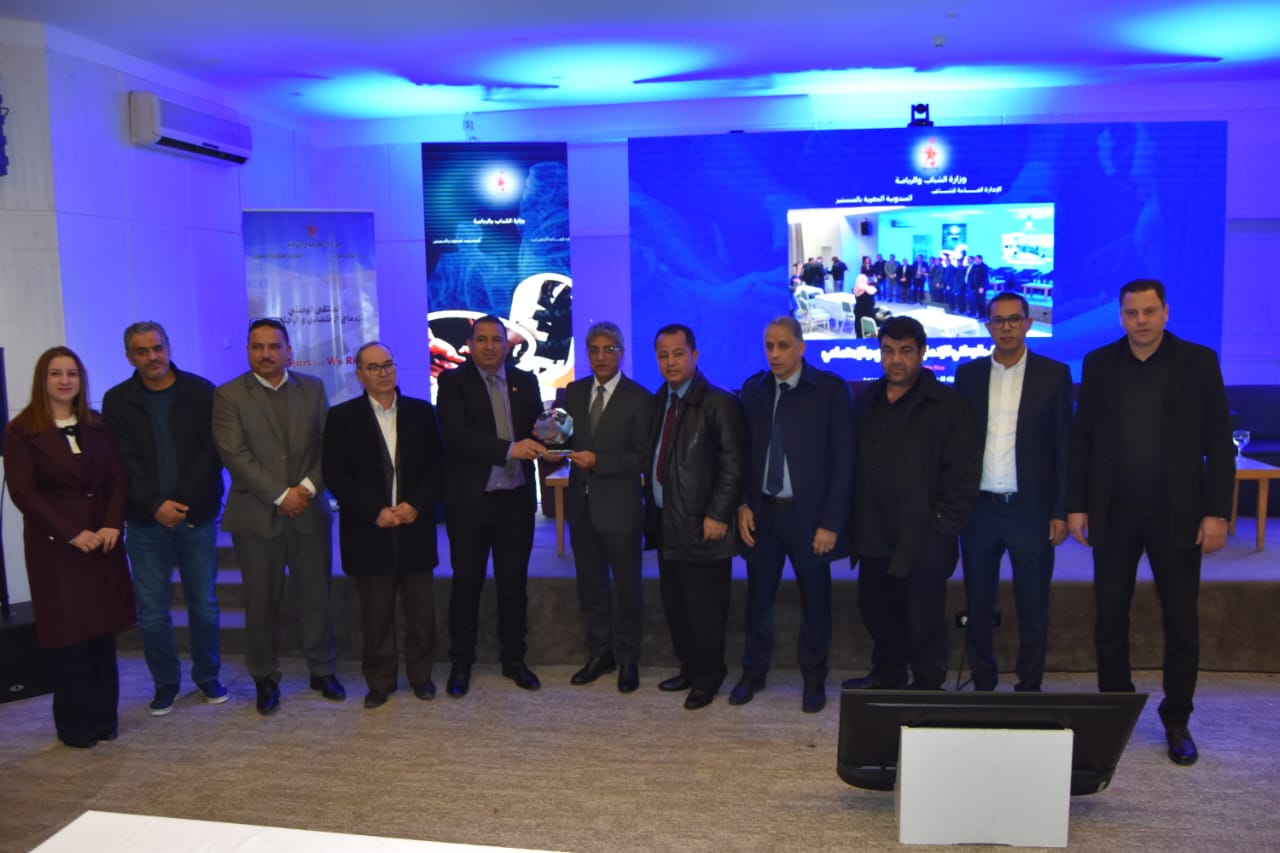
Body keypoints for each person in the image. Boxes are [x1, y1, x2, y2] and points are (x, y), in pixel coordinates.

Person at [1067, 279, 1234, 766]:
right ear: (1120, 316)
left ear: (1165, 312)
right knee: (1110, 617)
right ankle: (1114, 710)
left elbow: (1218, 442)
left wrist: (1217, 512)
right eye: (1131, 312)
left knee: (1181, 621)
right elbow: (1082, 440)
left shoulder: (1198, 361)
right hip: (1114, 513)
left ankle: (1177, 718)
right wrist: (1077, 505)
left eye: (1149, 311)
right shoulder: (1099, 363)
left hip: (1177, 515)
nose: (1140, 320)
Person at [5, 347, 136, 748]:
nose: (65, 381)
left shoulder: (97, 425)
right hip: (58, 549)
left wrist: (112, 523)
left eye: (72, 374)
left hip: (103, 543)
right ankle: (76, 727)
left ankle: (105, 720)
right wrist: (73, 533)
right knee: (70, 639)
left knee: (101, 637)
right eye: (56, 373)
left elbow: (118, 478)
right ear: (42, 380)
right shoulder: (21, 431)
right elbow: (24, 493)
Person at [212, 318, 344, 714]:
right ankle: (264, 676)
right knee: (260, 602)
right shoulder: (228, 395)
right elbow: (234, 455)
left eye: (274, 346)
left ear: (289, 351)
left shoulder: (313, 388)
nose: (266, 354)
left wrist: (306, 489)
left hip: (309, 512)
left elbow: (328, 447)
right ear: (248, 351)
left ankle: (322, 670)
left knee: (317, 597)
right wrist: (281, 495)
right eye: (258, 346)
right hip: (256, 516)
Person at [845, 317, 980, 690]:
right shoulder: (868, 400)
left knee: (923, 621)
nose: (896, 360)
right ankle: (886, 676)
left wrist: (941, 525)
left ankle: (926, 688)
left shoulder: (947, 405)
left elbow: (963, 473)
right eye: (888, 351)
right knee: (876, 611)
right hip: (873, 534)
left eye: (905, 351)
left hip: (923, 536)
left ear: (922, 353)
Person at [102, 321, 226, 716]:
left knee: (203, 605)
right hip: (144, 520)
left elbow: (211, 452)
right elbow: (123, 460)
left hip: (196, 515)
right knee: (153, 612)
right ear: (129, 357)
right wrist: (155, 503)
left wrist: (181, 501)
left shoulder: (201, 391)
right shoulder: (117, 400)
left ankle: (208, 676)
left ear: (169, 348)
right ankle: (166, 683)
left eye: (157, 348)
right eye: (142, 351)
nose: (152, 357)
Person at [731, 317, 854, 713]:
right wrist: (743, 503)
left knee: (815, 603)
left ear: (802, 347)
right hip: (764, 515)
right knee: (758, 601)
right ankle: (753, 672)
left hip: (811, 518)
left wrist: (831, 523)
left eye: (783, 345)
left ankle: (814, 678)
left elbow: (843, 463)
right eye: (769, 346)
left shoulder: (830, 390)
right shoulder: (754, 389)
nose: (775, 354)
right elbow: (743, 456)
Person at [955, 293, 1072, 692]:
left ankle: (1029, 687)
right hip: (980, 512)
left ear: (1028, 324)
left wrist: (1060, 510)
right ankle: (983, 681)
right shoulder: (968, 375)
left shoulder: (1054, 375)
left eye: (1014, 319)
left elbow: (1063, 448)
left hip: (1031, 511)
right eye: (998, 320)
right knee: (978, 604)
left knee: (1033, 606)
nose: (1006, 327)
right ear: (988, 325)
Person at [322, 342, 444, 709]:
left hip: (414, 527)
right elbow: (334, 474)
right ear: (359, 374)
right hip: (368, 530)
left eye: (388, 364)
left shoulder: (422, 412)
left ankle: (421, 676)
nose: (383, 373)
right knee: (376, 615)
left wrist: (417, 505)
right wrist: (374, 510)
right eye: (374, 367)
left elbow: (439, 467)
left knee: (422, 614)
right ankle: (379, 681)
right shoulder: (342, 417)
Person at [436, 315, 546, 697]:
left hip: (515, 501)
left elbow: (537, 430)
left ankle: (514, 660)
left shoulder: (525, 381)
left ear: (506, 344)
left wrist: (553, 436)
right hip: (470, 504)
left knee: (513, 586)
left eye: (496, 339)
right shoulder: (452, 383)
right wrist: (510, 449)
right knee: (467, 585)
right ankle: (461, 664)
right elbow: (456, 436)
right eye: (481, 339)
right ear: (470, 345)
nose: (489, 346)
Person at [647, 323, 745, 710]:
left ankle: (708, 677)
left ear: (695, 355)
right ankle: (689, 669)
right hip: (667, 522)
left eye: (678, 353)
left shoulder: (719, 402)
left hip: (704, 526)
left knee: (706, 611)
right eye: (663, 355)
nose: (670, 362)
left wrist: (718, 514)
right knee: (677, 607)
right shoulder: (661, 399)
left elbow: (733, 466)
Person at [562, 322, 655, 693]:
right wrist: (550, 442)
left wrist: (598, 461)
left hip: (620, 509)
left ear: (621, 353)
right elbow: (564, 439)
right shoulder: (573, 392)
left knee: (627, 588)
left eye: (608, 349)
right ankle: (600, 653)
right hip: (580, 507)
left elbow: (642, 457)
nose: (601, 356)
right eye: (594, 350)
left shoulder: (640, 398)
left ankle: (629, 659)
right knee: (591, 587)